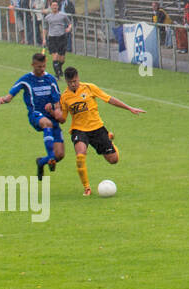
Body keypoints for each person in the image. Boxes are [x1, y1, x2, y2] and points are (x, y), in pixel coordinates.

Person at [56, 67, 144, 196]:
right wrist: (54, 112)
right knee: (80, 154)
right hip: (79, 130)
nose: (73, 84)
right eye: (70, 82)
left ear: (78, 77)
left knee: (113, 160)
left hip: (97, 129)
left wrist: (129, 107)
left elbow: (109, 99)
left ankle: (109, 140)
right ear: (66, 81)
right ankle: (87, 188)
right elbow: (63, 119)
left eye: (75, 81)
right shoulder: (64, 97)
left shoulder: (89, 88)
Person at [0, 53, 66, 181]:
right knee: (47, 124)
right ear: (33, 65)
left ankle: (41, 162)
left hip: (51, 117)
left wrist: (58, 113)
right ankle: (50, 157)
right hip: (36, 115)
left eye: (44, 66)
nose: (42, 69)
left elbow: (57, 103)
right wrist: (3, 100)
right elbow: (10, 95)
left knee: (60, 155)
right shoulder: (26, 79)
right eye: (39, 66)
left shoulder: (50, 79)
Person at [41, 0, 73, 79]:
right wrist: (44, 39)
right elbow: (45, 28)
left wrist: (69, 28)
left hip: (61, 37)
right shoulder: (47, 17)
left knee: (62, 59)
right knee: (55, 56)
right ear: (51, 6)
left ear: (58, 6)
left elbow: (70, 23)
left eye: (56, 5)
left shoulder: (63, 15)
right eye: (53, 5)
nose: (55, 7)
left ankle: (59, 68)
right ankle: (57, 75)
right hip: (52, 38)